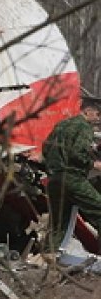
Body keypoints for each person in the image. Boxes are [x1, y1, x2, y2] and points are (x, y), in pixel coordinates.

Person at [43, 97, 101, 253]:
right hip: (72, 178)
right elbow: (77, 153)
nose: (98, 118)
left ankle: (49, 257)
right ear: (87, 111)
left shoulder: (61, 125)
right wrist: (93, 164)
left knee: (58, 224)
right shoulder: (84, 127)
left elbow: (46, 149)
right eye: (97, 114)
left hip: (54, 179)